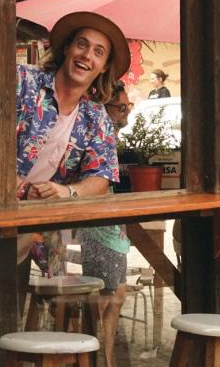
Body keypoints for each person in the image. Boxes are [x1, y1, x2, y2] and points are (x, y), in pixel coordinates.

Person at [0, 11, 130, 318]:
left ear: (103, 67)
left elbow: (102, 177)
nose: (86, 55)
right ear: (66, 49)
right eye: (81, 44)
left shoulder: (96, 117)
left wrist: (68, 193)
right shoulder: (22, 81)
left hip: (17, 242)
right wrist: (16, 185)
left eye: (98, 52)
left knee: (3, 330)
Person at [78, 80, 132, 367]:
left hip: (111, 222)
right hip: (98, 222)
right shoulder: (97, 132)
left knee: (115, 293)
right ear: (105, 107)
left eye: (127, 106)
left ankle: (106, 358)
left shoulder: (110, 135)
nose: (126, 112)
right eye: (121, 107)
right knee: (105, 294)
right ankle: (98, 358)